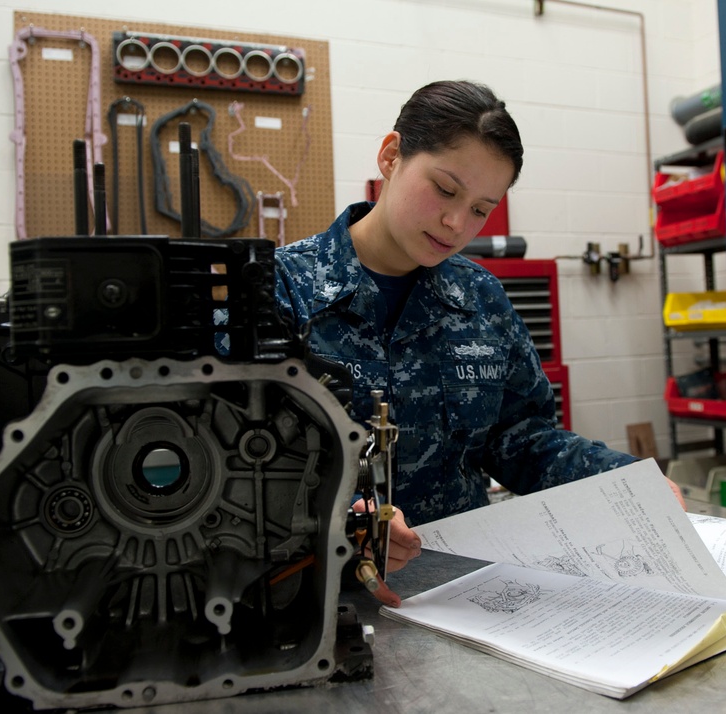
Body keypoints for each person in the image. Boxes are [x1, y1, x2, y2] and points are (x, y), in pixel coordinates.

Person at [275, 80, 683, 606]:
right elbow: (234, 464)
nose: (455, 223)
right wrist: (347, 517)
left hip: (464, 592)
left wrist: (623, 480)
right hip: (318, 601)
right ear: (391, 156)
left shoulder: (480, 296)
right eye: (445, 190)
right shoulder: (279, 291)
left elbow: (520, 439)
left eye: (480, 209)